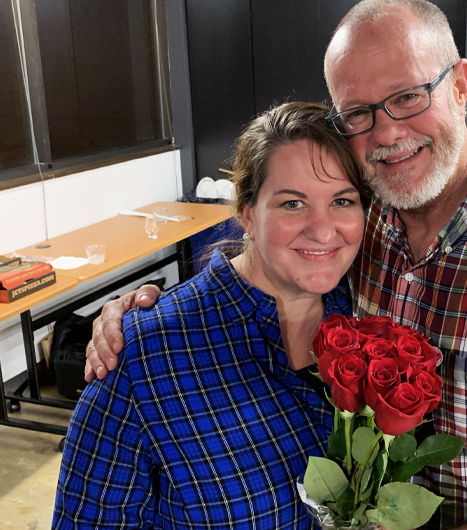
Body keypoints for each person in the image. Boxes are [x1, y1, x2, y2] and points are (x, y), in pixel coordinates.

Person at [86, 0, 467, 530]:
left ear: (460, 84)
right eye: (357, 112)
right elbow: (273, 256)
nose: (387, 131)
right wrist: (141, 317)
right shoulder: (360, 236)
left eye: (409, 95)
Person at [53, 102, 372, 529]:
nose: (322, 228)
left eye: (342, 200)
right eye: (293, 203)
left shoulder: (366, 317)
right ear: (247, 214)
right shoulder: (143, 359)